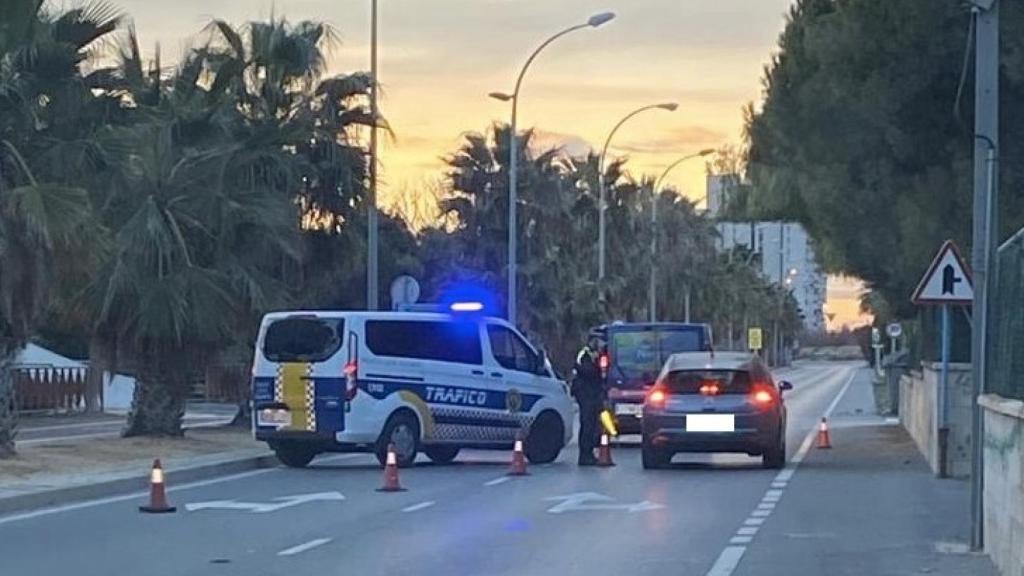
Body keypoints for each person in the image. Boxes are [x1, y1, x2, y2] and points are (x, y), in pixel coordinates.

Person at [572, 335, 605, 466]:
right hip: (585, 393)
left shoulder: (595, 355)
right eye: (598, 341)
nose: (600, 344)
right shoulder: (584, 354)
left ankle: (589, 453)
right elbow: (586, 371)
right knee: (587, 423)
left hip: (592, 393)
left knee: (593, 424)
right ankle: (584, 455)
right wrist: (597, 365)